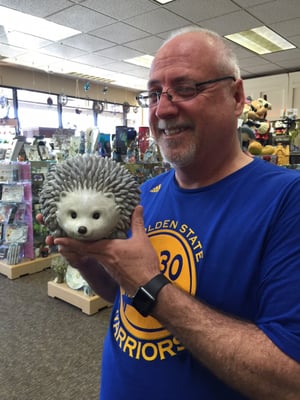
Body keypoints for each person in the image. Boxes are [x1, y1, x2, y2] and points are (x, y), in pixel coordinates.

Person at [48, 27, 300, 399]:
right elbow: (124, 297)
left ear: (236, 96)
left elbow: (289, 380)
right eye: (153, 94)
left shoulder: (287, 200)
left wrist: (152, 286)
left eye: (186, 88)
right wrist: (88, 262)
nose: (162, 109)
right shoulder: (143, 195)